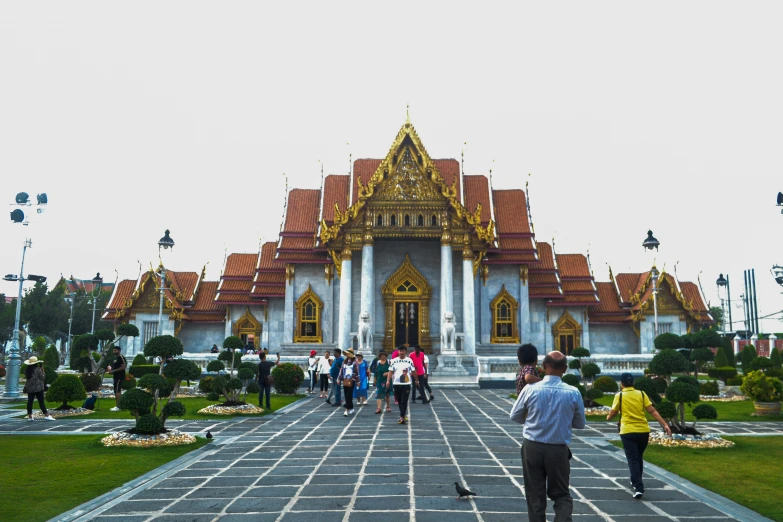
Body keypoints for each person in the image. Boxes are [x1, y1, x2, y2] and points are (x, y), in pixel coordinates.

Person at [510, 350, 586, 522]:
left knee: (535, 494)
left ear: (543, 367)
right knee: (561, 494)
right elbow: (580, 423)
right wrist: (562, 422)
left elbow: (514, 415)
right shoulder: (573, 392)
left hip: (532, 447)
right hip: (558, 449)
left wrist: (534, 421)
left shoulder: (531, 390)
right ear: (565, 369)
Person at [607, 373, 672, 499]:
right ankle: (635, 480)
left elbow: (614, 412)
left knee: (632, 459)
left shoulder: (619, 395)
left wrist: (609, 417)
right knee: (638, 457)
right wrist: (665, 424)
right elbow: (652, 410)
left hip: (628, 431)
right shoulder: (641, 394)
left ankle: (638, 487)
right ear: (633, 383)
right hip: (643, 431)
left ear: (621, 384)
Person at [387, 345, 418, 424]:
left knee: (404, 400)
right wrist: (388, 381)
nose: (401, 352)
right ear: (398, 352)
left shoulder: (409, 360)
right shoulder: (393, 361)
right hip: (396, 383)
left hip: (406, 384)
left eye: (403, 351)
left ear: (405, 352)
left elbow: (413, 371)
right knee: (399, 400)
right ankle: (403, 415)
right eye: (400, 351)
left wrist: (417, 380)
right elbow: (390, 371)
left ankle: (401, 416)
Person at [23, 356, 54, 421]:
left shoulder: (27, 370)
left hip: (30, 388)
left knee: (30, 402)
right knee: (41, 402)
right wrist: (43, 371)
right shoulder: (38, 369)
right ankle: (46, 415)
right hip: (38, 388)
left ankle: (30, 416)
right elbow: (42, 377)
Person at [106, 346, 128, 412]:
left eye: (115, 350)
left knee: (117, 391)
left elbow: (123, 366)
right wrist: (110, 370)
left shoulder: (121, 357)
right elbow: (115, 368)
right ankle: (119, 405)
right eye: (113, 350)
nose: (114, 352)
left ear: (119, 350)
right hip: (115, 377)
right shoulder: (115, 358)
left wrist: (113, 371)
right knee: (117, 391)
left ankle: (118, 406)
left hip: (119, 377)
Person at [337, 349, 359, 416]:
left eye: (348, 354)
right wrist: (339, 379)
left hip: (352, 380)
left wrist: (358, 381)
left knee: (349, 395)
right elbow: (341, 371)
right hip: (345, 379)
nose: (347, 355)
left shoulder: (355, 362)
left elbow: (357, 372)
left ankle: (346, 409)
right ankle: (351, 408)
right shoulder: (344, 362)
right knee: (346, 393)